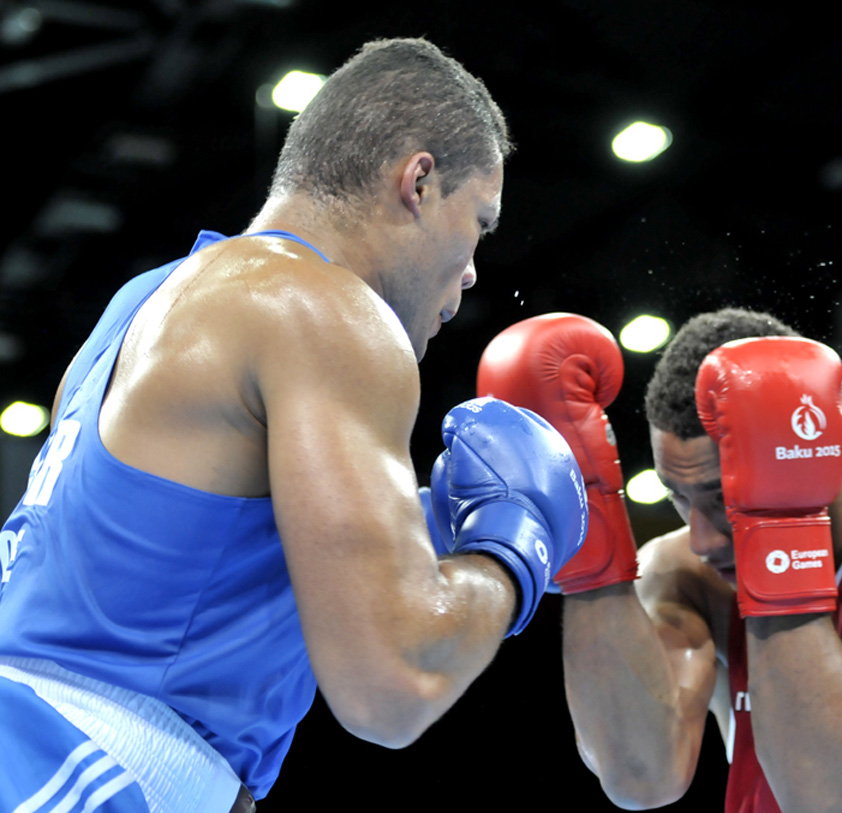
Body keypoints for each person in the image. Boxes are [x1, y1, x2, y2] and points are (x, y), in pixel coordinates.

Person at [0, 38, 586, 812]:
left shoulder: (148, 297)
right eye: (479, 221)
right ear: (418, 180)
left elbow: (160, 575)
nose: (474, 268)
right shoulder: (326, 308)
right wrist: (509, 546)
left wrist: (408, 534)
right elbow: (394, 685)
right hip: (83, 766)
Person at [479, 308, 842, 813]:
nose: (702, 539)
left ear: (810, 453)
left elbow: (838, 799)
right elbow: (640, 778)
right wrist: (590, 563)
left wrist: (779, 534)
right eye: (680, 499)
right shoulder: (683, 572)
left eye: (724, 501)